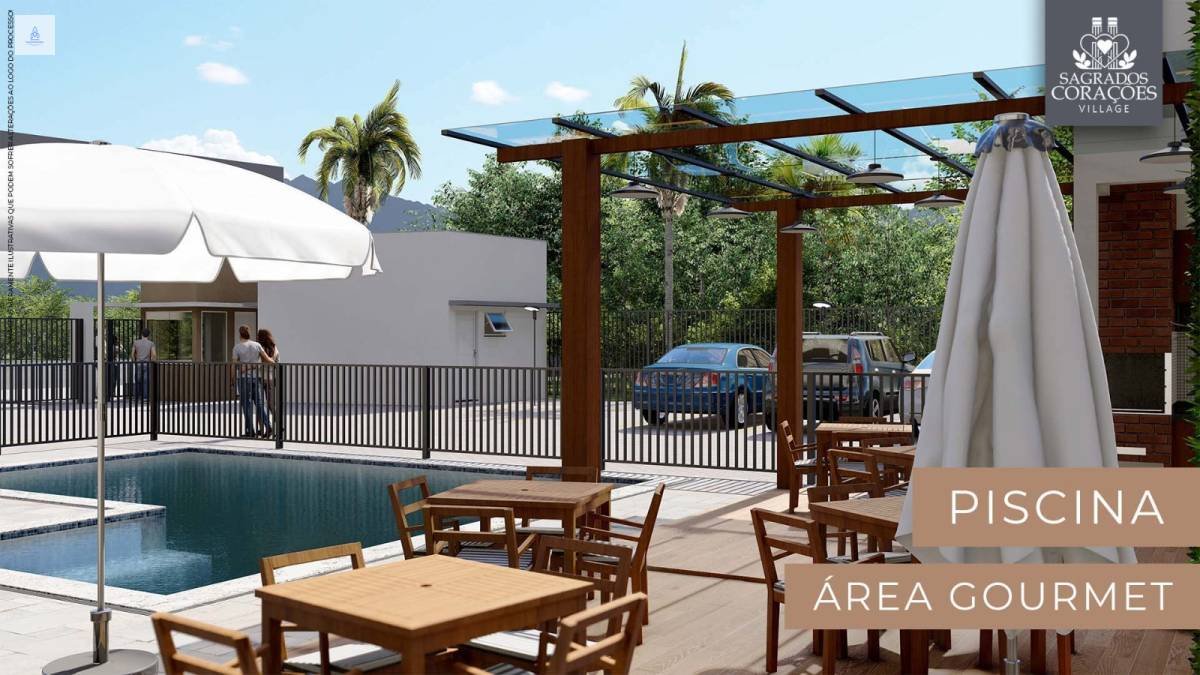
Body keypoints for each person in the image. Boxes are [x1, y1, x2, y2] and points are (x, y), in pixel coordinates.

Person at [231, 325, 274, 438]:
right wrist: (276, 363)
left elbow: (233, 365)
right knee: (259, 404)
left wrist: (232, 379)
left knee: (247, 405)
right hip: (256, 378)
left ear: (240, 334)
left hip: (243, 378)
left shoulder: (237, 347)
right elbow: (267, 359)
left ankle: (250, 431)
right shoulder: (257, 345)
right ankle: (269, 427)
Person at [256, 328, 280, 435]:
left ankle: (262, 429)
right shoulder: (275, 348)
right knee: (271, 404)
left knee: (259, 404)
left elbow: (257, 363)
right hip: (270, 378)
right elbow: (277, 363)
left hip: (260, 378)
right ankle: (279, 425)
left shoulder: (260, 349)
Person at [131, 327, 157, 402]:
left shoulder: (136, 342)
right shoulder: (151, 343)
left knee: (137, 380)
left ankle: (136, 397)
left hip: (138, 363)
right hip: (147, 364)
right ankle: (145, 397)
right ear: (148, 335)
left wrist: (134, 362)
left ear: (141, 334)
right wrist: (152, 361)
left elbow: (132, 354)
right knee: (146, 381)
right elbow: (154, 354)